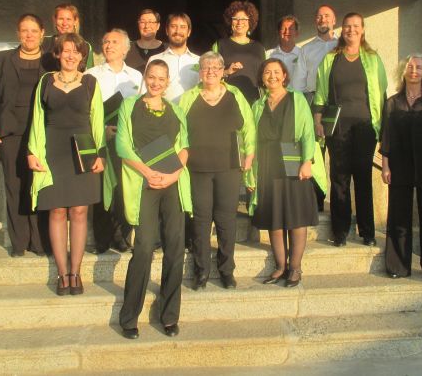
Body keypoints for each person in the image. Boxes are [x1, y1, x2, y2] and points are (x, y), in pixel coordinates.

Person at [116, 59, 192, 340]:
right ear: (145, 78)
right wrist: (148, 173)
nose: (156, 82)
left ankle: (169, 316)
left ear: (167, 82)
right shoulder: (129, 106)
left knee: (175, 247)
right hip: (144, 183)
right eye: (152, 77)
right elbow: (122, 145)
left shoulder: (176, 110)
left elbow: (184, 146)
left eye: (161, 78)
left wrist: (173, 176)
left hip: (172, 184)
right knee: (144, 247)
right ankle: (129, 317)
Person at [27, 33, 105, 296]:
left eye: (76, 51)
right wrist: (32, 152)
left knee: (80, 211)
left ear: (83, 56)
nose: (71, 55)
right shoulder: (45, 82)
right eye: (66, 50)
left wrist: (100, 154)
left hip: (83, 151)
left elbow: (97, 121)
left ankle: (76, 272)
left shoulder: (91, 82)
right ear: (58, 54)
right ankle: (62, 274)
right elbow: (37, 119)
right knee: (57, 211)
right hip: (53, 151)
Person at [179, 51, 255, 290]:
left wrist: (250, 154)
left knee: (226, 220)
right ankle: (201, 271)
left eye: (215, 67)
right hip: (197, 169)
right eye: (205, 67)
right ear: (199, 72)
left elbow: (249, 127)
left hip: (229, 167)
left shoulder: (235, 95)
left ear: (223, 71)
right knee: (201, 220)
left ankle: (226, 270)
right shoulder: (188, 97)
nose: (210, 71)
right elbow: (179, 132)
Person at [247, 58, 327, 287]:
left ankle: (295, 268)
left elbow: (307, 132)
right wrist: (250, 172)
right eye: (267, 72)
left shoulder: (296, 99)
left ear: (284, 76)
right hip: (267, 164)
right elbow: (250, 139)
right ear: (262, 78)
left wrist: (307, 161)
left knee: (296, 217)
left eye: (276, 72)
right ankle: (280, 267)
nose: (272, 76)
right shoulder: (258, 105)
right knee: (275, 217)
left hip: (293, 163)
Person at [313, 12, 388, 247]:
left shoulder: (373, 59)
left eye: (356, 26)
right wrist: (318, 121)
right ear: (342, 29)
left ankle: (367, 232)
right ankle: (340, 232)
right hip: (338, 126)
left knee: (363, 178)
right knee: (339, 178)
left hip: (365, 126)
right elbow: (320, 93)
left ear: (362, 30)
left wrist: (383, 131)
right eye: (347, 26)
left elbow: (382, 94)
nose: (351, 30)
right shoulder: (330, 59)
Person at [0, 13, 50, 257]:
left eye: (34, 30)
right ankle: (19, 242)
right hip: (9, 132)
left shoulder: (50, 61)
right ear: (18, 33)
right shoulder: (1, 60)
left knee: (38, 185)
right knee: (14, 184)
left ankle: (39, 242)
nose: (29, 35)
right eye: (24, 30)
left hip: (41, 132)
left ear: (43, 33)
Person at [380, 53, 422, 279]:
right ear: (403, 71)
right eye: (410, 67)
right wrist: (386, 165)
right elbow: (386, 136)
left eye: (419, 67)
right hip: (399, 164)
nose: (414, 71)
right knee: (398, 215)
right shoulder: (393, 102)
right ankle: (397, 266)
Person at [86, 29, 142, 253]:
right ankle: (102, 238)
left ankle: (122, 236)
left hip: (126, 140)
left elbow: (140, 108)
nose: (109, 45)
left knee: (124, 188)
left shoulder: (136, 77)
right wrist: (102, 131)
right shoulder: (91, 75)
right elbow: (85, 110)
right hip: (101, 139)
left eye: (115, 42)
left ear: (126, 48)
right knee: (101, 191)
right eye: (106, 41)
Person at [213, 0, 266, 104]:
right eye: (235, 19)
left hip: (254, 101)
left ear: (250, 22)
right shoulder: (219, 45)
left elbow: (265, 76)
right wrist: (226, 72)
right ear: (230, 21)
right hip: (227, 100)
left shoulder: (260, 48)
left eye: (244, 19)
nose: (239, 22)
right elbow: (210, 73)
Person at [144, 13, 199, 103]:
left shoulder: (199, 61)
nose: (178, 31)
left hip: (192, 111)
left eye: (182, 27)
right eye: (173, 26)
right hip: (163, 111)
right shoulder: (154, 60)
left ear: (189, 32)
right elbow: (145, 92)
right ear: (167, 30)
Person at [296, 4, 338, 101]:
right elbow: (299, 81)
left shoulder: (343, 46)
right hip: (313, 100)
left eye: (327, 16)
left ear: (334, 20)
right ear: (315, 22)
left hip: (338, 98)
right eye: (319, 17)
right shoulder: (306, 49)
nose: (323, 20)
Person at [41, 3, 95, 71]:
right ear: (54, 20)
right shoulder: (44, 42)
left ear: (75, 21)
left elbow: (89, 72)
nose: (64, 23)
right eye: (61, 19)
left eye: (68, 19)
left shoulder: (85, 46)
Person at [267, 15, 302, 92]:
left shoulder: (303, 54)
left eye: (290, 29)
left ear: (297, 33)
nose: (287, 32)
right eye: (283, 29)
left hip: (298, 96)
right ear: (278, 32)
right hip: (275, 96)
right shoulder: (268, 55)